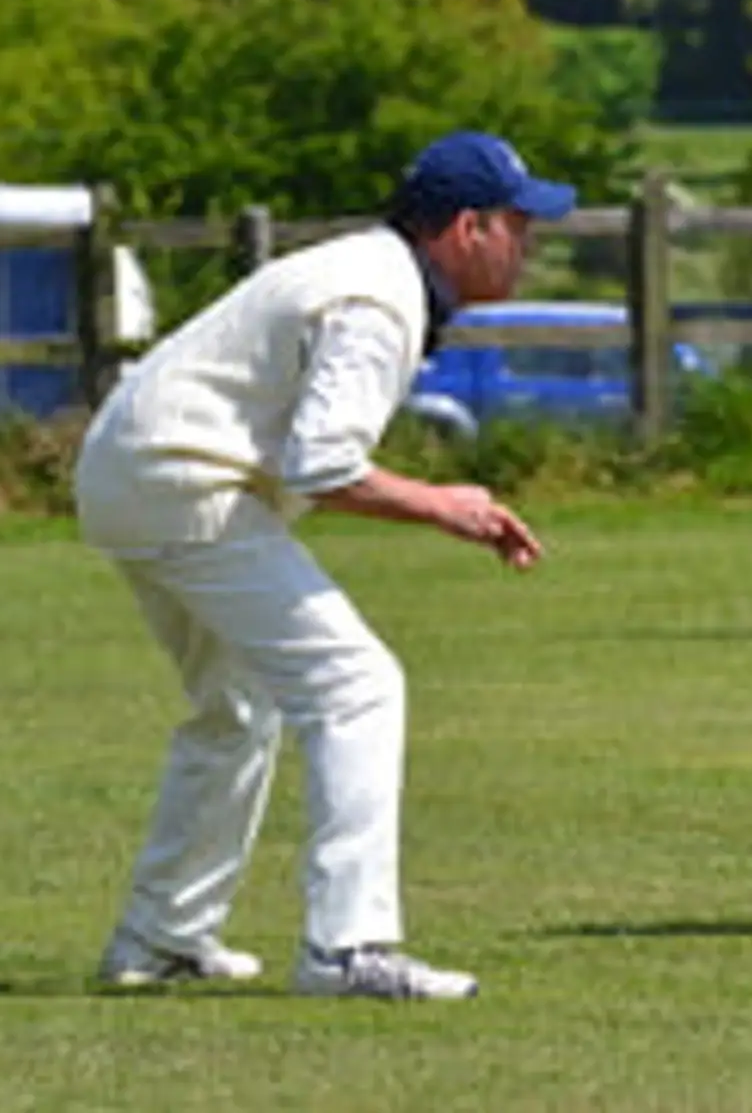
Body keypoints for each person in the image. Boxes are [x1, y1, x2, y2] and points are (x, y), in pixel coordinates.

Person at [75, 131, 574, 999]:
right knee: (357, 685)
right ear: (467, 227)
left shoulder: (376, 274)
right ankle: (349, 948)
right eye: (519, 225)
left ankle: (159, 937)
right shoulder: (379, 300)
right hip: (181, 483)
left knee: (236, 706)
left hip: (132, 473)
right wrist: (445, 504)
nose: (531, 245)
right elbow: (323, 464)